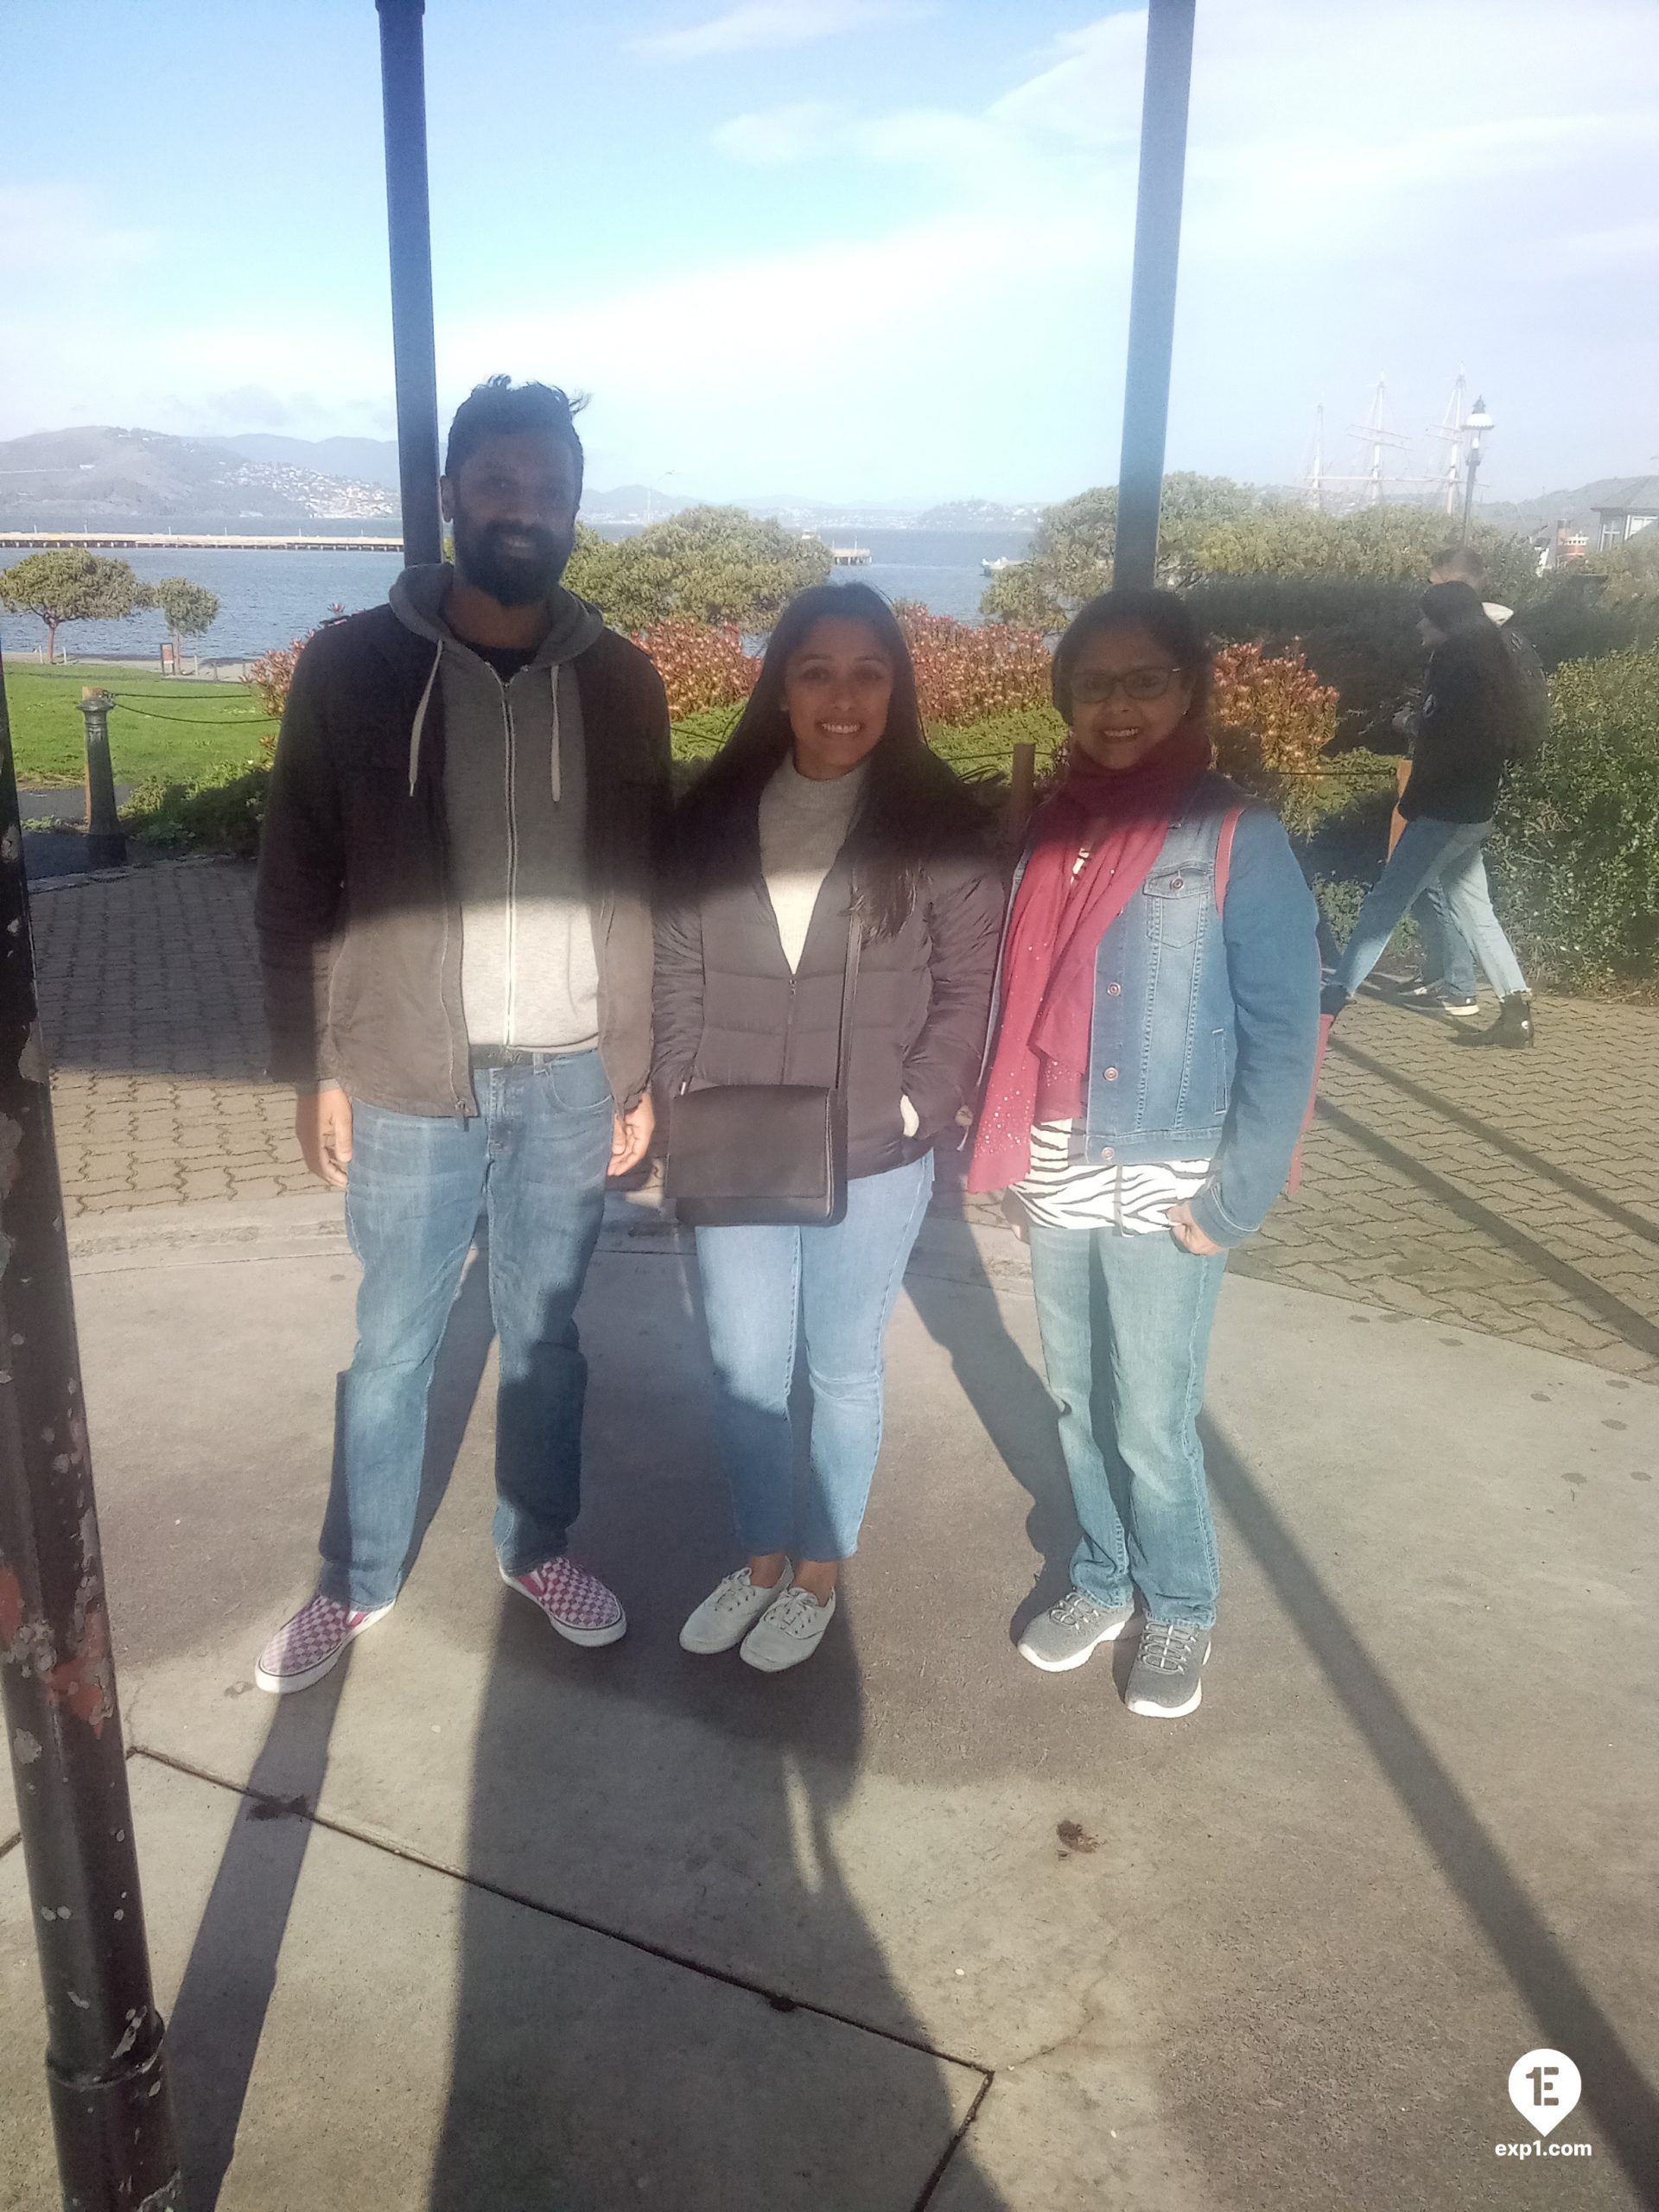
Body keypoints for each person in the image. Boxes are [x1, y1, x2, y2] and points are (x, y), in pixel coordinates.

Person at [252, 378, 671, 1693]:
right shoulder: (351, 667)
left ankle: (537, 1546)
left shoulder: (622, 682)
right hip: (403, 1075)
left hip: (569, 1075)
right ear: (450, 494)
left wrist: (637, 1069)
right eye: (498, 482)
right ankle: (356, 1576)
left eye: (549, 488)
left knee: (547, 1339)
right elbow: (294, 880)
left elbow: (646, 887)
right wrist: (314, 1067)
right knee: (393, 1345)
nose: (523, 508)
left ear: (575, 507)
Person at [969, 589, 1319, 1719]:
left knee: (1152, 1415)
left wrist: (1238, 1198)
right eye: (1094, 684)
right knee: (1076, 1396)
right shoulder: (1052, 827)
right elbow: (1014, 998)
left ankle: (1181, 1605)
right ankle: (1104, 1575)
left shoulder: (1234, 835)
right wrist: (1011, 1151)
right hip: (1060, 1152)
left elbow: (1286, 1031)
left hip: (1171, 1164)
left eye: (1144, 681)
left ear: (1189, 690)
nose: (1117, 706)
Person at [654, 583, 1002, 1674]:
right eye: (816, 672)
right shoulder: (714, 815)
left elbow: (969, 990)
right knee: (746, 1367)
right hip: (735, 1136)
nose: (841, 698)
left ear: (896, 689)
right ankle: (762, 1559)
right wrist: (679, 1093)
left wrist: (912, 1103)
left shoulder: (938, 823)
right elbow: (675, 972)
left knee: (843, 1368)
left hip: (874, 1147)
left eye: (867, 673)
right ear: (781, 687)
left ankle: (818, 1573)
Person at [1324, 581, 1535, 1047]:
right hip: (1473, 810)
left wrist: (1411, 725)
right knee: (1475, 909)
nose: (1420, 624)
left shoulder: (1454, 664)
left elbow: (1443, 738)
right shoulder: (1491, 662)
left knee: (1385, 905)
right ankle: (1516, 1013)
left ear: (1445, 621)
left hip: (1442, 811)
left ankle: (1331, 1001)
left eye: (1426, 616)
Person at [1384, 545, 1548, 1018]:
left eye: (1435, 585)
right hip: (1467, 793)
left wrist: (1417, 724)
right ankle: (1503, 1002)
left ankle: (1453, 982)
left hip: (1450, 795)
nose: (1426, 604)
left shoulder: (1470, 648)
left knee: (1395, 896)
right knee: (1471, 904)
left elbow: (1460, 725)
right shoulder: (1494, 641)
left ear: (1457, 588)